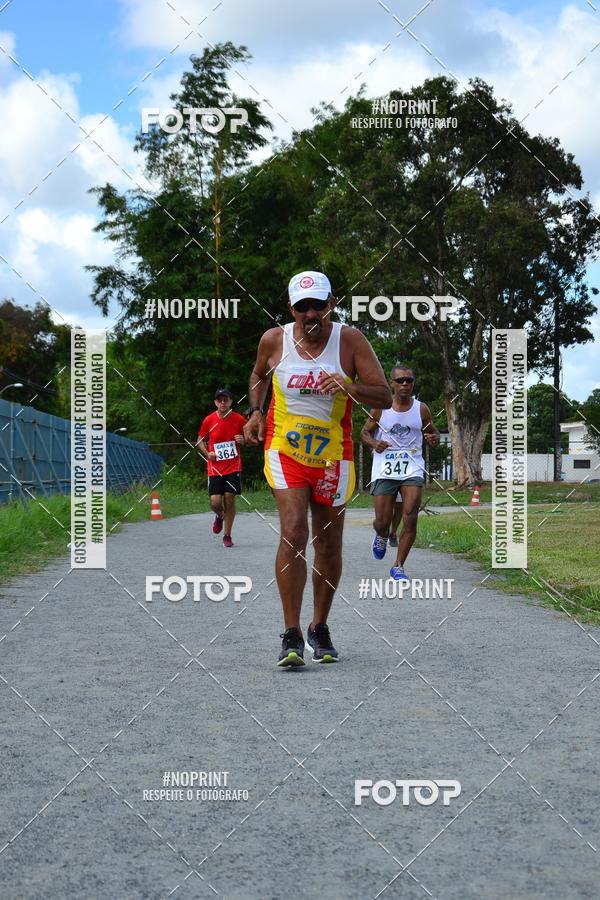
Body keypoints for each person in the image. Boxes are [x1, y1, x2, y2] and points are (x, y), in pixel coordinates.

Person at [243, 270, 392, 667]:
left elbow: (385, 394)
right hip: (285, 449)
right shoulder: (274, 340)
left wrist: (350, 385)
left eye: (319, 305)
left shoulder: (350, 341)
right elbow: (258, 374)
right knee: (294, 529)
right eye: (302, 306)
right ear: (291, 308)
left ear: (332, 303)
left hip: (333, 455)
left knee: (327, 543)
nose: (311, 314)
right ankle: (290, 634)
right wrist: (256, 412)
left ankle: (318, 627)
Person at [361, 364, 439, 582]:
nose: (405, 384)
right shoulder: (380, 407)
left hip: (412, 466)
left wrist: (433, 438)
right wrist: (374, 442)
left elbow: (432, 432)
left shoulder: (421, 409)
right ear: (391, 383)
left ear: (413, 383)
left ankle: (398, 566)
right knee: (381, 521)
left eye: (409, 380)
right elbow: (364, 432)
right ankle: (382, 534)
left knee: (411, 516)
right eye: (400, 380)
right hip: (384, 467)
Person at [197, 388, 247, 548]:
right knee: (215, 502)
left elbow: (253, 439)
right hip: (215, 468)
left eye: (226, 400)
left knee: (230, 498)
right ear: (215, 402)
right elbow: (199, 441)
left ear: (231, 402)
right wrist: (207, 453)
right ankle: (219, 516)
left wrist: (244, 440)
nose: (223, 403)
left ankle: (227, 535)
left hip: (233, 467)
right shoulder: (209, 420)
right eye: (220, 400)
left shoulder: (239, 419)